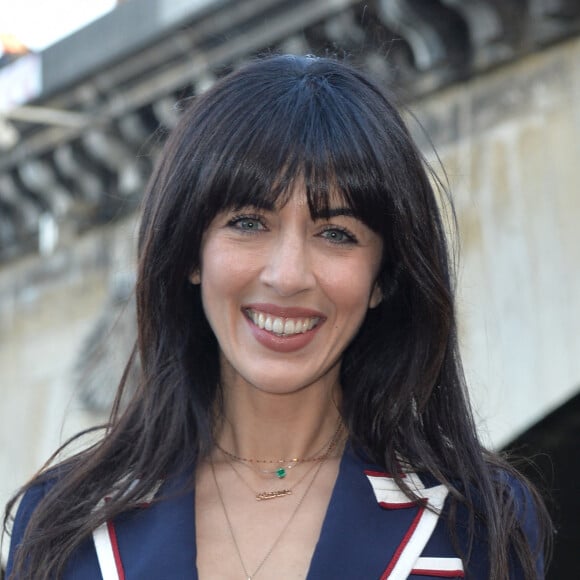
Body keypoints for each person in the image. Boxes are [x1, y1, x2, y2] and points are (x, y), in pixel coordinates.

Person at [4, 54, 551, 579]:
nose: (288, 276)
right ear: (192, 252)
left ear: (384, 277)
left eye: (336, 234)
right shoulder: (64, 526)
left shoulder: (475, 528)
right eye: (248, 222)